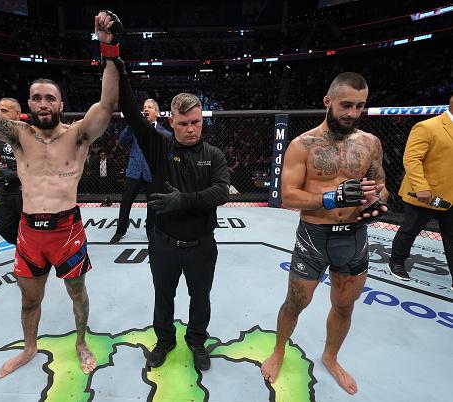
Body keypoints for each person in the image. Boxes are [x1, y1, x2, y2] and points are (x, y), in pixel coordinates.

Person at [0, 10, 121, 377]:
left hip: (68, 231)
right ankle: (29, 347)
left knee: (78, 295)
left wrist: (109, 49)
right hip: (30, 232)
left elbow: (107, 104)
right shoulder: (18, 135)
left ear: (60, 104)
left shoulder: (78, 135)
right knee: (30, 300)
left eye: (50, 98)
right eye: (37, 98)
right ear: (29, 104)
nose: (43, 104)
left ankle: (80, 341)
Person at [260, 72, 389, 395]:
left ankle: (331, 357)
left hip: (355, 238)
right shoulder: (302, 145)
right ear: (328, 102)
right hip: (314, 237)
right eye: (346, 105)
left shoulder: (370, 144)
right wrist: (331, 198)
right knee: (295, 303)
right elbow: (288, 196)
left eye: (359, 106)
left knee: (345, 306)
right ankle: (278, 351)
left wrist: (377, 201)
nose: (352, 113)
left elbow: (381, 186)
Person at [115, 60, 230, 371]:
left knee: (200, 298)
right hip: (164, 243)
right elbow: (129, 111)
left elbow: (222, 191)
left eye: (195, 122)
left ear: (201, 119)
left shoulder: (214, 155)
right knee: (163, 297)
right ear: (170, 121)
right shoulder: (157, 145)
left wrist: (183, 201)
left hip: (202, 244)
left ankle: (196, 341)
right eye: (183, 124)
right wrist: (116, 63)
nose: (190, 129)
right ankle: (165, 340)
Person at [388, 95, 453, 287]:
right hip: (427, 195)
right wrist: (422, 188)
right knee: (410, 229)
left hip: (450, 195)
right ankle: (396, 262)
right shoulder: (427, 127)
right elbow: (411, 159)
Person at [110, 99, 172, 243]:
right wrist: (131, 124)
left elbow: (169, 156)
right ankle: (120, 231)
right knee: (126, 201)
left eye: (150, 107)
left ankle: (150, 231)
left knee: (152, 204)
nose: (146, 109)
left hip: (153, 173)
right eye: (144, 107)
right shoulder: (135, 128)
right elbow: (122, 141)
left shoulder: (166, 134)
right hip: (135, 170)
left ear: (156, 113)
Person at [0, 97, 22, 245]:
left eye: (4, 111)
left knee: (29, 229)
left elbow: (41, 165)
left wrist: (16, 175)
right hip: (5, 191)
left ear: (17, 113)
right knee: (4, 228)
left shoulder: (27, 134)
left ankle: (30, 260)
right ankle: (24, 249)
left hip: (24, 191)